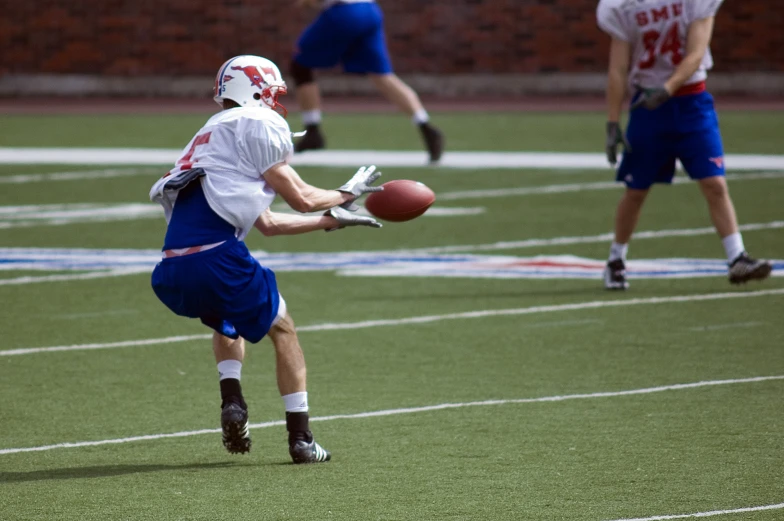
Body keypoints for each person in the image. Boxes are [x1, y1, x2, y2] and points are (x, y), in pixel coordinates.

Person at [149, 54, 383, 463]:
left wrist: (334, 220)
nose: (277, 101)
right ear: (256, 89)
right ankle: (302, 438)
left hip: (173, 265)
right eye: (273, 92)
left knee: (227, 319)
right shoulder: (258, 123)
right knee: (284, 330)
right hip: (217, 256)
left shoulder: (210, 135)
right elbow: (302, 198)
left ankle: (233, 399)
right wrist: (347, 194)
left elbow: (270, 223)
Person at [597, 0, 772, 290]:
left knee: (714, 182)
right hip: (648, 109)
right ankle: (616, 259)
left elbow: (696, 53)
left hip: (691, 103)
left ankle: (737, 257)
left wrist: (667, 89)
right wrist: (612, 122)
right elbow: (618, 69)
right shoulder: (623, 5)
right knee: (636, 189)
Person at [290, 0, 444, 163]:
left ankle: (312, 130)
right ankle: (425, 126)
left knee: (300, 66)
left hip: (345, 13)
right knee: (382, 75)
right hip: (370, 11)